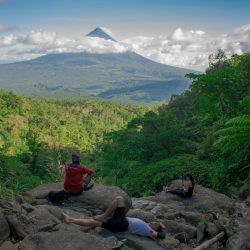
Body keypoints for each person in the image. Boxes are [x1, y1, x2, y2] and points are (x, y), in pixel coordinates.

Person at [62, 196, 166, 240]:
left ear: (156, 229)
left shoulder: (149, 231)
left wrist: (162, 226)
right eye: (156, 222)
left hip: (122, 224)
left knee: (119, 199)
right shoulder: (146, 224)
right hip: (119, 224)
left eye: (156, 224)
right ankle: (70, 219)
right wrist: (157, 223)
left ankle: (103, 216)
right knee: (93, 222)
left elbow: (162, 236)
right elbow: (149, 222)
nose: (155, 222)